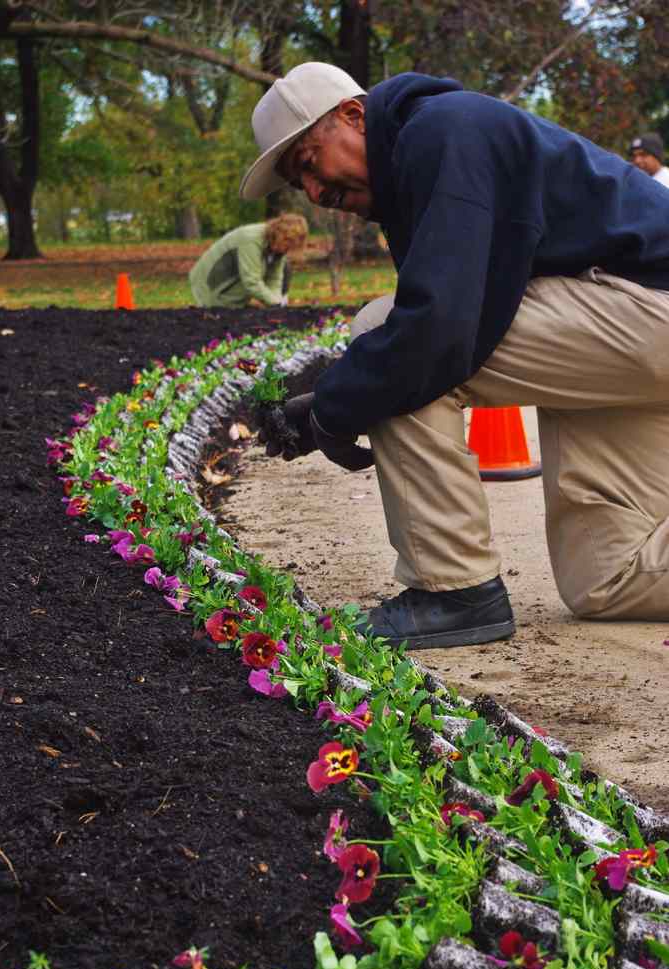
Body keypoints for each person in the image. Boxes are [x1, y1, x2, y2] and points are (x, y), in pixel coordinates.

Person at [239, 62, 669, 650]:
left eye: (310, 163)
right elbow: (472, 313)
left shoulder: (443, 131)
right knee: (608, 576)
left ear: (353, 115)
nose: (315, 193)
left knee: (386, 330)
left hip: (648, 307)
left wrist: (334, 409)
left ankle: (453, 591)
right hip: (625, 329)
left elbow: (438, 331)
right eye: (300, 184)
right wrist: (336, 402)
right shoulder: (428, 155)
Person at [189, 212, 307, 308]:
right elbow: (251, 281)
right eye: (288, 245)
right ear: (281, 236)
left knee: (285, 267)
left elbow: (274, 278)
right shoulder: (250, 239)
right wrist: (275, 303)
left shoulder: (277, 247)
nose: (288, 250)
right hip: (211, 285)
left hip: (232, 289)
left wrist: (276, 302)